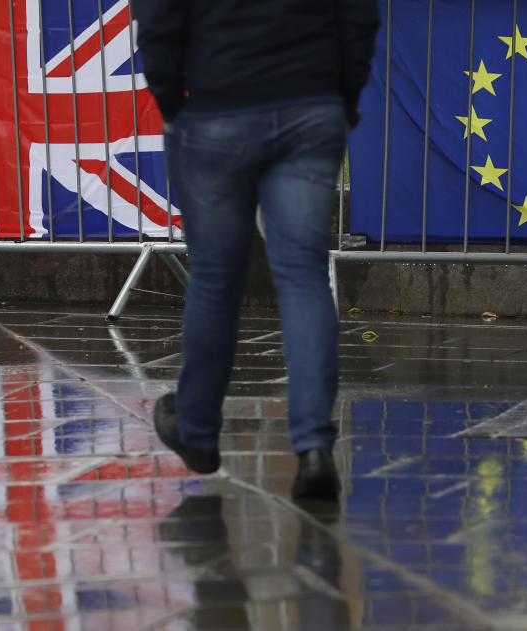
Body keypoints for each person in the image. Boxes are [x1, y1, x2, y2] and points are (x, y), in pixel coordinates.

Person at [132, 0, 380, 500]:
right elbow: (358, 16)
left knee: (215, 279)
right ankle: (313, 448)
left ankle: (197, 429)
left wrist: (171, 100)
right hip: (309, 106)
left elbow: (159, 19)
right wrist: (342, 97)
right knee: (304, 276)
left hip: (216, 105)